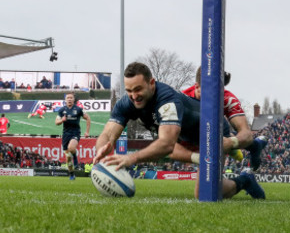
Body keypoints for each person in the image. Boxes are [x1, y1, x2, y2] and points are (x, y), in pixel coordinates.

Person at [94, 62, 265, 199]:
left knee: (205, 194)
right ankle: (206, 158)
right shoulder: (127, 102)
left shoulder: (167, 101)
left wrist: (131, 158)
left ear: (151, 83)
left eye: (138, 89)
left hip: (211, 134)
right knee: (166, 145)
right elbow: (108, 134)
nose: (134, 96)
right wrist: (103, 150)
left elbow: (167, 145)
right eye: (129, 90)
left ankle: (245, 180)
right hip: (184, 137)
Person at [181, 67, 267, 170]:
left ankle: (252, 146)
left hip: (215, 132)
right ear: (197, 87)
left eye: (216, 93)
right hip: (195, 133)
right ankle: (245, 177)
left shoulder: (227, 98)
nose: (212, 98)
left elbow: (246, 133)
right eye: (208, 93)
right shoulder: (183, 98)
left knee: (210, 181)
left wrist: (231, 142)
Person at [55, 92, 90, 180]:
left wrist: (87, 132)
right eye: (68, 98)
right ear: (65, 100)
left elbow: (88, 118)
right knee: (68, 159)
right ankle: (71, 174)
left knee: (71, 148)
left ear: (74, 99)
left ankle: (75, 158)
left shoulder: (78, 109)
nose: (69, 99)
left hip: (75, 133)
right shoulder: (61, 110)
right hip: (65, 134)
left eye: (71, 98)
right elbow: (56, 122)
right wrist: (62, 120)